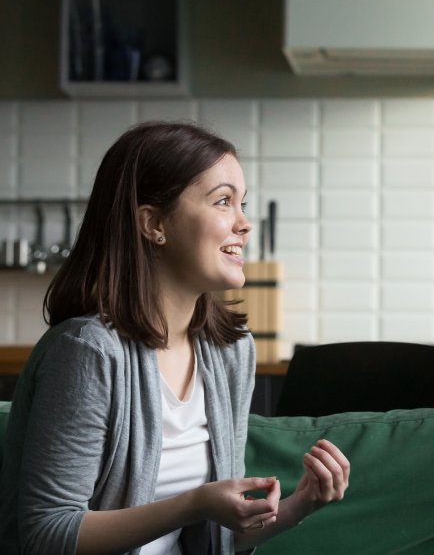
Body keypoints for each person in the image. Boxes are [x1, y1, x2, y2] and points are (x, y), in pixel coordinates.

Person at [0, 121, 351, 554]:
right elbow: (47, 535)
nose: (245, 224)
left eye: (243, 204)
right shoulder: (88, 352)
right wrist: (192, 504)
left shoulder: (231, 353)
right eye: (224, 201)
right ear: (153, 224)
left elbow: (221, 538)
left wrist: (300, 505)